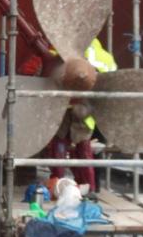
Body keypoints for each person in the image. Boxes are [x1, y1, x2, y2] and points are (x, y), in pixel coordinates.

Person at [19, 38, 117, 194]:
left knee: (79, 149)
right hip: (65, 106)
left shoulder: (90, 52)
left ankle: (82, 188)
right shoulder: (91, 53)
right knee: (64, 146)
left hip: (81, 108)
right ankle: (64, 185)